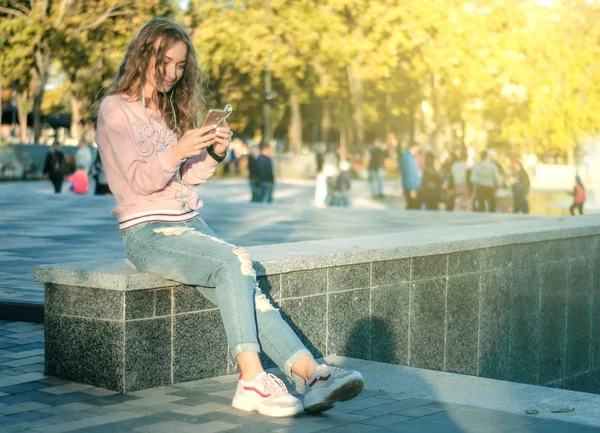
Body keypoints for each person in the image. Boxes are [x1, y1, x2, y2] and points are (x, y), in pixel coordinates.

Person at [94, 18, 362, 417]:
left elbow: (186, 179)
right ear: (143, 55)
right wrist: (179, 148)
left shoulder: (169, 108)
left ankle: (310, 376)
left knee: (245, 282)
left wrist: (212, 152)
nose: (172, 73)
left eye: (181, 66)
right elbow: (139, 183)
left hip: (189, 224)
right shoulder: (115, 109)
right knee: (233, 262)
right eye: (164, 62)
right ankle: (251, 380)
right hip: (148, 233)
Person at [401, 141, 422, 210]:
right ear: (413, 147)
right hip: (411, 188)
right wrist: (412, 189)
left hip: (414, 187)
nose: (418, 150)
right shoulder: (408, 157)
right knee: (412, 209)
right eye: (417, 148)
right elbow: (409, 173)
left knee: (412, 208)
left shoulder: (411, 157)